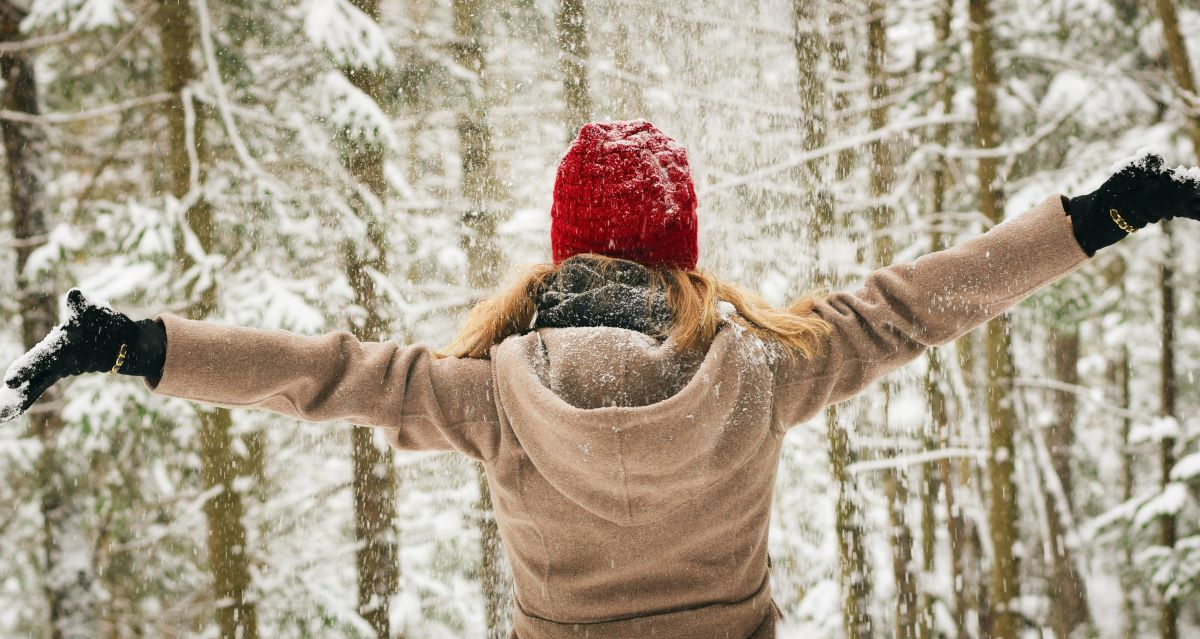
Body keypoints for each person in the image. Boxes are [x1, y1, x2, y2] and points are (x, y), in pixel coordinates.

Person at [3, 120, 1199, 638]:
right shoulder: (764, 373)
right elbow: (918, 303)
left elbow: (326, 378)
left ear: (564, 248)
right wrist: (1102, 214)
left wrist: (137, 345)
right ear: (682, 251)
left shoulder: (487, 396)